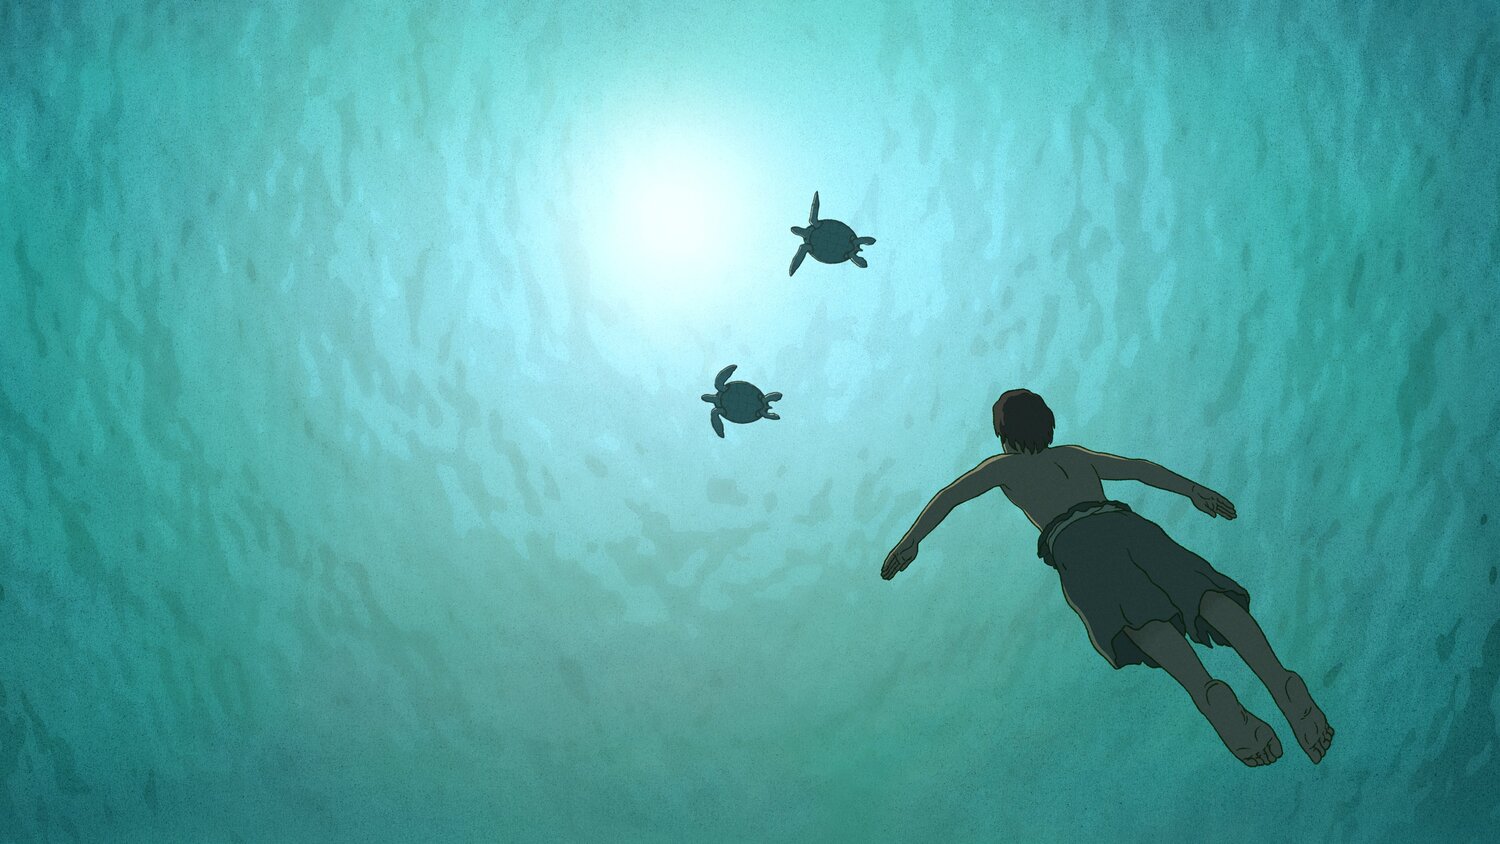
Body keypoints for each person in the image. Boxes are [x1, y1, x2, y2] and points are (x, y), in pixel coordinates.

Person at [881, 388, 1334, 766]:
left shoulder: (1004, 468)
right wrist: (1193, 490)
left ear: (1003, 435)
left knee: (1141, 619)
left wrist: (911, 541)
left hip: (1076, 544)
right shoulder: (1074, 456)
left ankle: (1208, 693)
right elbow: (1138, 469)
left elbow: (950, 496)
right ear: (1047, 424)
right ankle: (1281, 679)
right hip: (1125, 525)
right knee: (1201, 592)